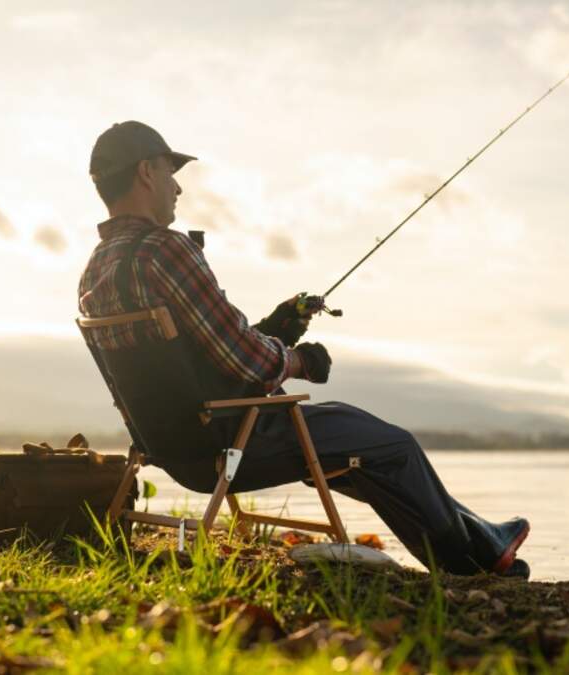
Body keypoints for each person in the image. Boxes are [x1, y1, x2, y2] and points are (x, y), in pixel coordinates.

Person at [78, 121, 530, 578]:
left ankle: (482, 541)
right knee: (395, 446)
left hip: (172, 447)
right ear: (145, 173)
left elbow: (197, 359)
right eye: (170, 172)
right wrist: (302, 361)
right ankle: (465, 564)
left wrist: (279, 327)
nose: (178, 188)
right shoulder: (166, 250)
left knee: (364, 454)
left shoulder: (96, 270)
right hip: (232, 441)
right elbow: (245, 360)